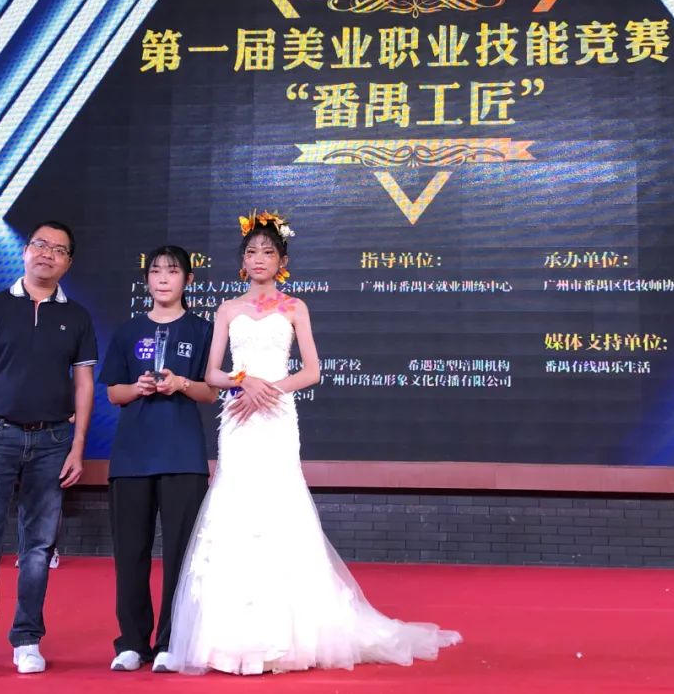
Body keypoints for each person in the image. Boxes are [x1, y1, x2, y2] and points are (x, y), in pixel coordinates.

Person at [169, 211, 461, 675]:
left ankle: (291, 636)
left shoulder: (294, 307)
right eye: (251, 251)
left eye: (268, 252)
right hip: (239, 418)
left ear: (282, 261)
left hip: (276, 417)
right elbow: (211, 374)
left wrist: (269, 389)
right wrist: (244, 382)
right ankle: (228, 640)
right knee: (236, 506)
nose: (259, 258)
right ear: (242, 261)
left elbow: (311, 371)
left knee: (280, 506)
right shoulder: (227, 309)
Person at [0, 221, 98, 679]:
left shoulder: (77, 317)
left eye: (59, 250)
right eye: (40, 244)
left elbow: (84, 386)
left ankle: (27, 639)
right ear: (25, 251)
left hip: (53, 442)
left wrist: (77, 446)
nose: (47, 254)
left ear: (68, 262)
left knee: (37, 549)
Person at [99, 245, 216, 673]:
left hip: (183, 455)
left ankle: (170, 640)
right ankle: (132, 642)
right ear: (146, 279)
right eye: (155, 271)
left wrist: (180, 383)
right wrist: (139, 388)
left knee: (181, 555)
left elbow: (211, 391)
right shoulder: (128, 331)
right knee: (131, 552)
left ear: (188, 280)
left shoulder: (203, 330)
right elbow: (114, 392)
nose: (163, 278)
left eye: (172, 271)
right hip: (132, 456)